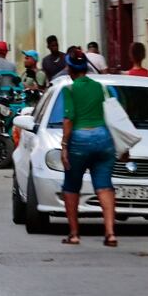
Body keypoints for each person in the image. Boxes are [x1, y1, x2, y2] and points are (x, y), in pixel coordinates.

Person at [60, 50, 118, 248]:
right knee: (104, 185)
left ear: (70, 69)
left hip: (80, 140)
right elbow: (115, 111)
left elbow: (68, 119)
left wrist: (64, 147)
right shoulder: (102, 88)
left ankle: (74, 234)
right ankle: (110, 233)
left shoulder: (69, 90)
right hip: (103, 138)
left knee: (71, 186)